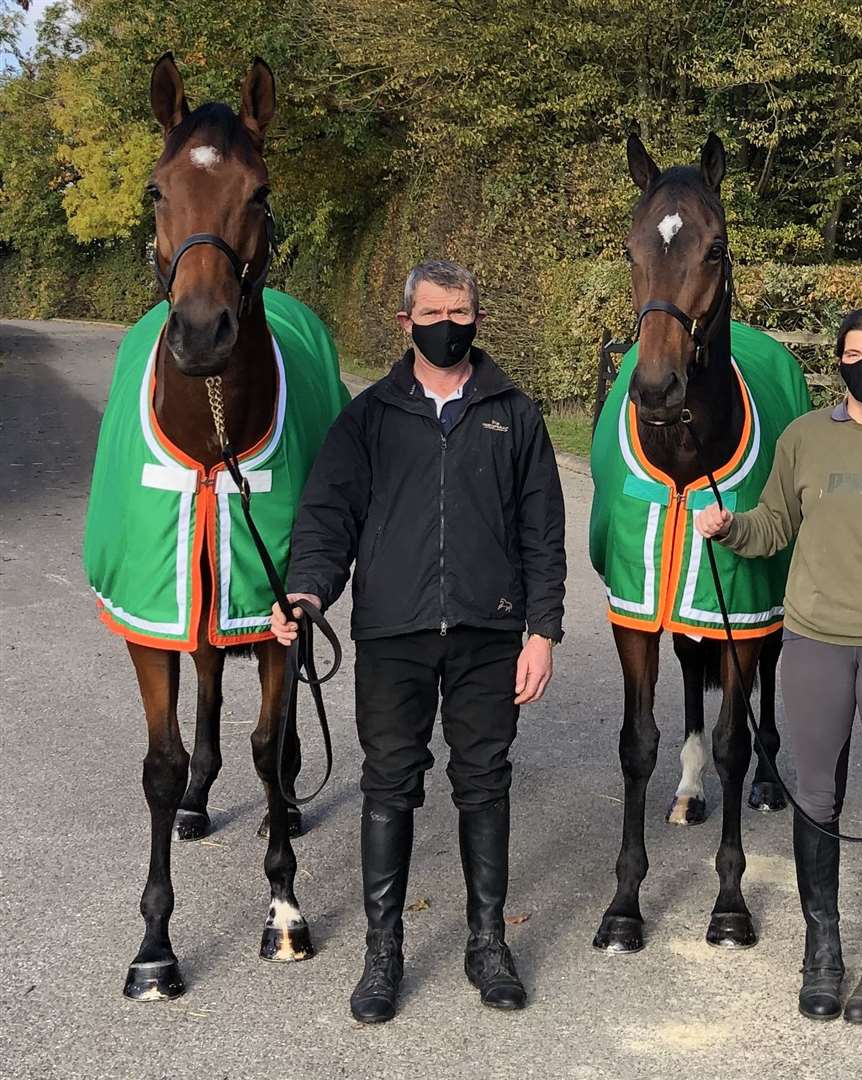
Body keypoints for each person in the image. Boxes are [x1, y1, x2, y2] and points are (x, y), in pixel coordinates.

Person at [269, 260, 566, 1024]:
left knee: (484, 781)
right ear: (405, 323)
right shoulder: (367, 418)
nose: (446, 323)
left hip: (489, 631)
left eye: (459, 310)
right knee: (389, 785)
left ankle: (486, 945)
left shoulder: (514, 414)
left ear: (477, 317)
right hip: (393, 633)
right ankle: (383, 954)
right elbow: (327, 518)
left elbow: (543, 532)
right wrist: (305, 594)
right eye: (432, 311)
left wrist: (542, 631)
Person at [693, 305, 862, 1025]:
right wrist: (729, 528)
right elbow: (774, 526)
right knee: (815, 796)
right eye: (854, 353)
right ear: (837, 362)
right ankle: (822, 950)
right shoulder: (804, 438)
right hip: (814, 641)